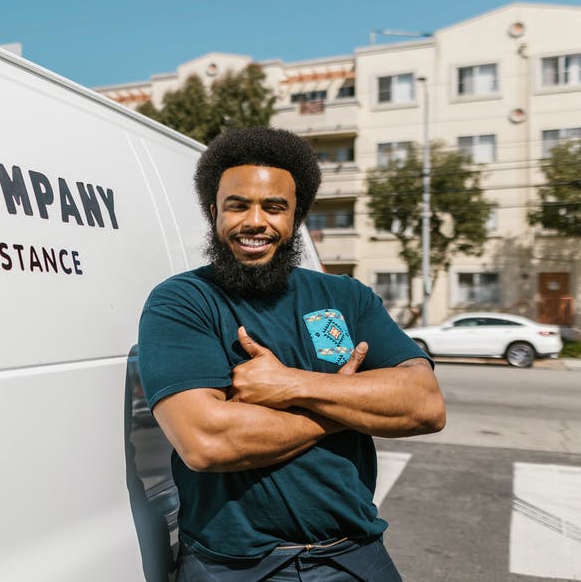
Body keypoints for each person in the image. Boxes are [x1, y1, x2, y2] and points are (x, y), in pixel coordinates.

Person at [137, 127, 445, 581]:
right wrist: (347, 402)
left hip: (352, 555)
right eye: (238, 205)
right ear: (213, 212)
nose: (255, 221)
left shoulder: (346, 296)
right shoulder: (183, 301)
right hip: (232, 566)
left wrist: (291, 385)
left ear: (295, 215)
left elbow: (425, 404)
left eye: (274, 207)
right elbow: (207, 440)